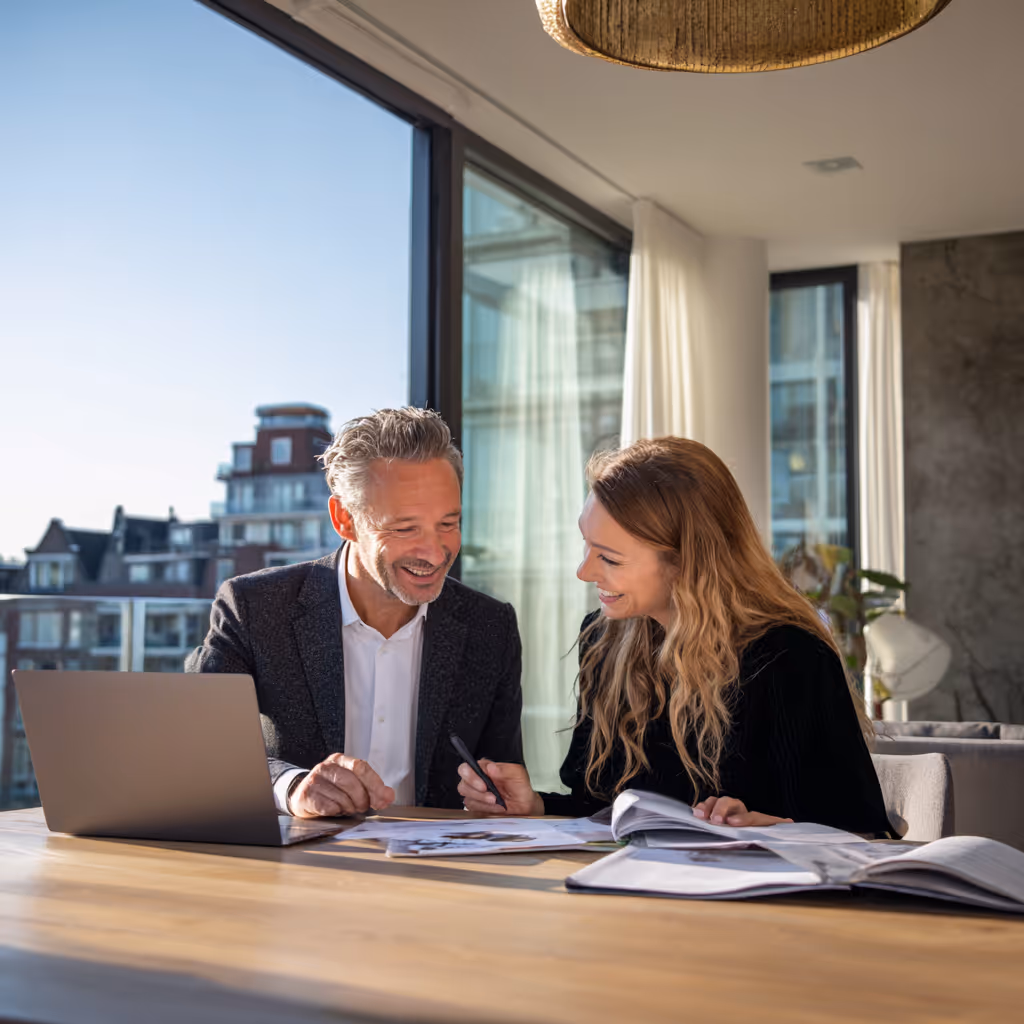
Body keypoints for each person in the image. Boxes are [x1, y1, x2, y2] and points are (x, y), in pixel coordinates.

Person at [458, 437, 892, 836]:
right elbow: (600, 811)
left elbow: (864, 832)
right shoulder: (603, 641)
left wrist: (774, 829)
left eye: (609, 558)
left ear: (686, 562)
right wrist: (534, 806)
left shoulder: (790, 657)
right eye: (587, 545)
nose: (584, 571)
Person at [187, 407, 523, 817]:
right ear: (344, 519)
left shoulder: (491, 628)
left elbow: (503, 785)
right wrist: (290, 786)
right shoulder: (254, 608)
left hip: (438, 858)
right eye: (405, 528)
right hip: (300, 855)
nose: (435, 553)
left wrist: (505, 800)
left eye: (448, 524)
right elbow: (199, 747)